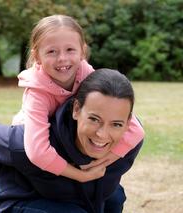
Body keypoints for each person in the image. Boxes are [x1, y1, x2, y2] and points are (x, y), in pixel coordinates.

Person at [0, 69, 144, 213]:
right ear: (76, 110)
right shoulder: (36, 144)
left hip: (76, 198)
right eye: (94, 119)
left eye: (116, 124)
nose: (102, 134)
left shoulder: (128, 146)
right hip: (23, 201)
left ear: (128, 123)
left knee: (115, 198)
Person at [12, 14, 144, 182]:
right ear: (37, 56)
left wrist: (102, 162)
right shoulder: (36, 93)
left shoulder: (87, 75)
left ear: (82, 51)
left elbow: (136, 131)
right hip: (34, 135)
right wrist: (81, 175)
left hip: (68, 134)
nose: (62, 58)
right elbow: (38, 152)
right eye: (51, 51)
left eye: (70, 50)